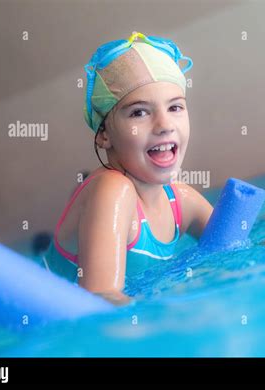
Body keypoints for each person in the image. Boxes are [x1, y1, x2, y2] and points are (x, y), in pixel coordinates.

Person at [43, 32, 213, 305]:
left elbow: (238, 251)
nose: (164, 124)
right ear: (104, 135)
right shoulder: (112, 190)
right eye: (139, 112)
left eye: (175, 107)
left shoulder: (181, 201)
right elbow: (101, 300)